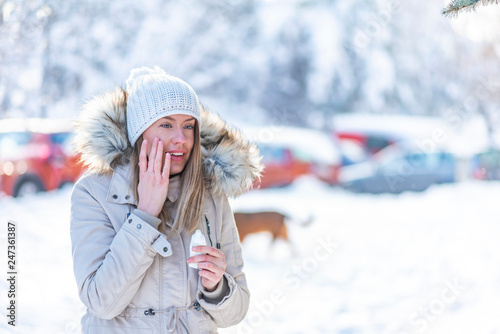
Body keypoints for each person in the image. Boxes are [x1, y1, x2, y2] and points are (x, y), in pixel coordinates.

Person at [70, 66, 262, 333]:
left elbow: (236, 311)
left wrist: (217, 287)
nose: (181, 138)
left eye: (188, 126)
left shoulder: (212, 196)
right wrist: (145, 214)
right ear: (140, 132)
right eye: (166, 124)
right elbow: (101, 302)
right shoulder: (95, 193)